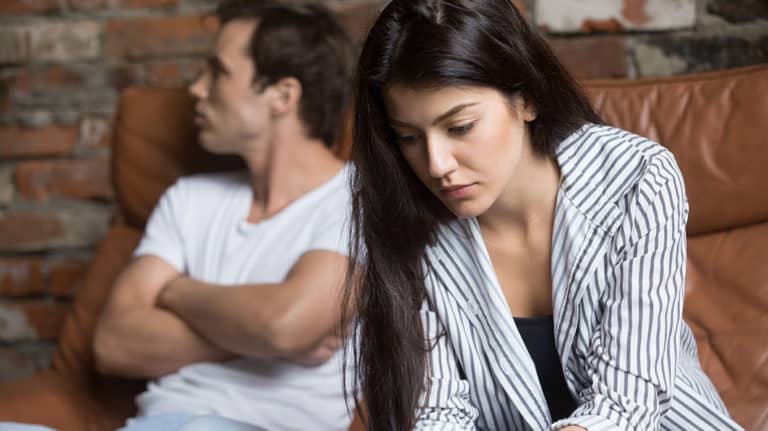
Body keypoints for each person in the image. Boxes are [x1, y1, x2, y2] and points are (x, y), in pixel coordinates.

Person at [342, 1, 744, 430]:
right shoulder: (405, 215)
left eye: (459, 127)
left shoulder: (637, 178)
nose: (437, 163)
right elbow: (437, 414)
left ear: (527, 98)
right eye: (408, 138)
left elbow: (627, 405)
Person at [89, 1, 356, 430]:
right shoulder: (188, 198)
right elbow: (112, 343)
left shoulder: (358, 201)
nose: (197, 89)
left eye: (218, 72)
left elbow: (282, 326)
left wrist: (175, 291)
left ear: (282, 96)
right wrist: (259, 342)